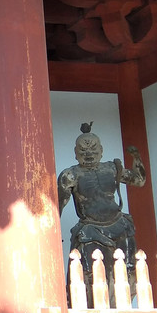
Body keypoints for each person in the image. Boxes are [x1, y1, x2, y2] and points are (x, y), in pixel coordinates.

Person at [57, 122, 146, 290]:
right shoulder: (70, 175)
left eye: (93, 149)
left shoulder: (112, 168)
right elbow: (57, 206)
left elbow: (139, 180)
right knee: (91, 273)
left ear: (102, 150)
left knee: (128, 269)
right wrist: (52, 234)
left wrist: (137, 158)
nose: (89, 154)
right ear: (75, 154)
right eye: (83, 151)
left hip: (119, 224)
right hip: (91, 228)